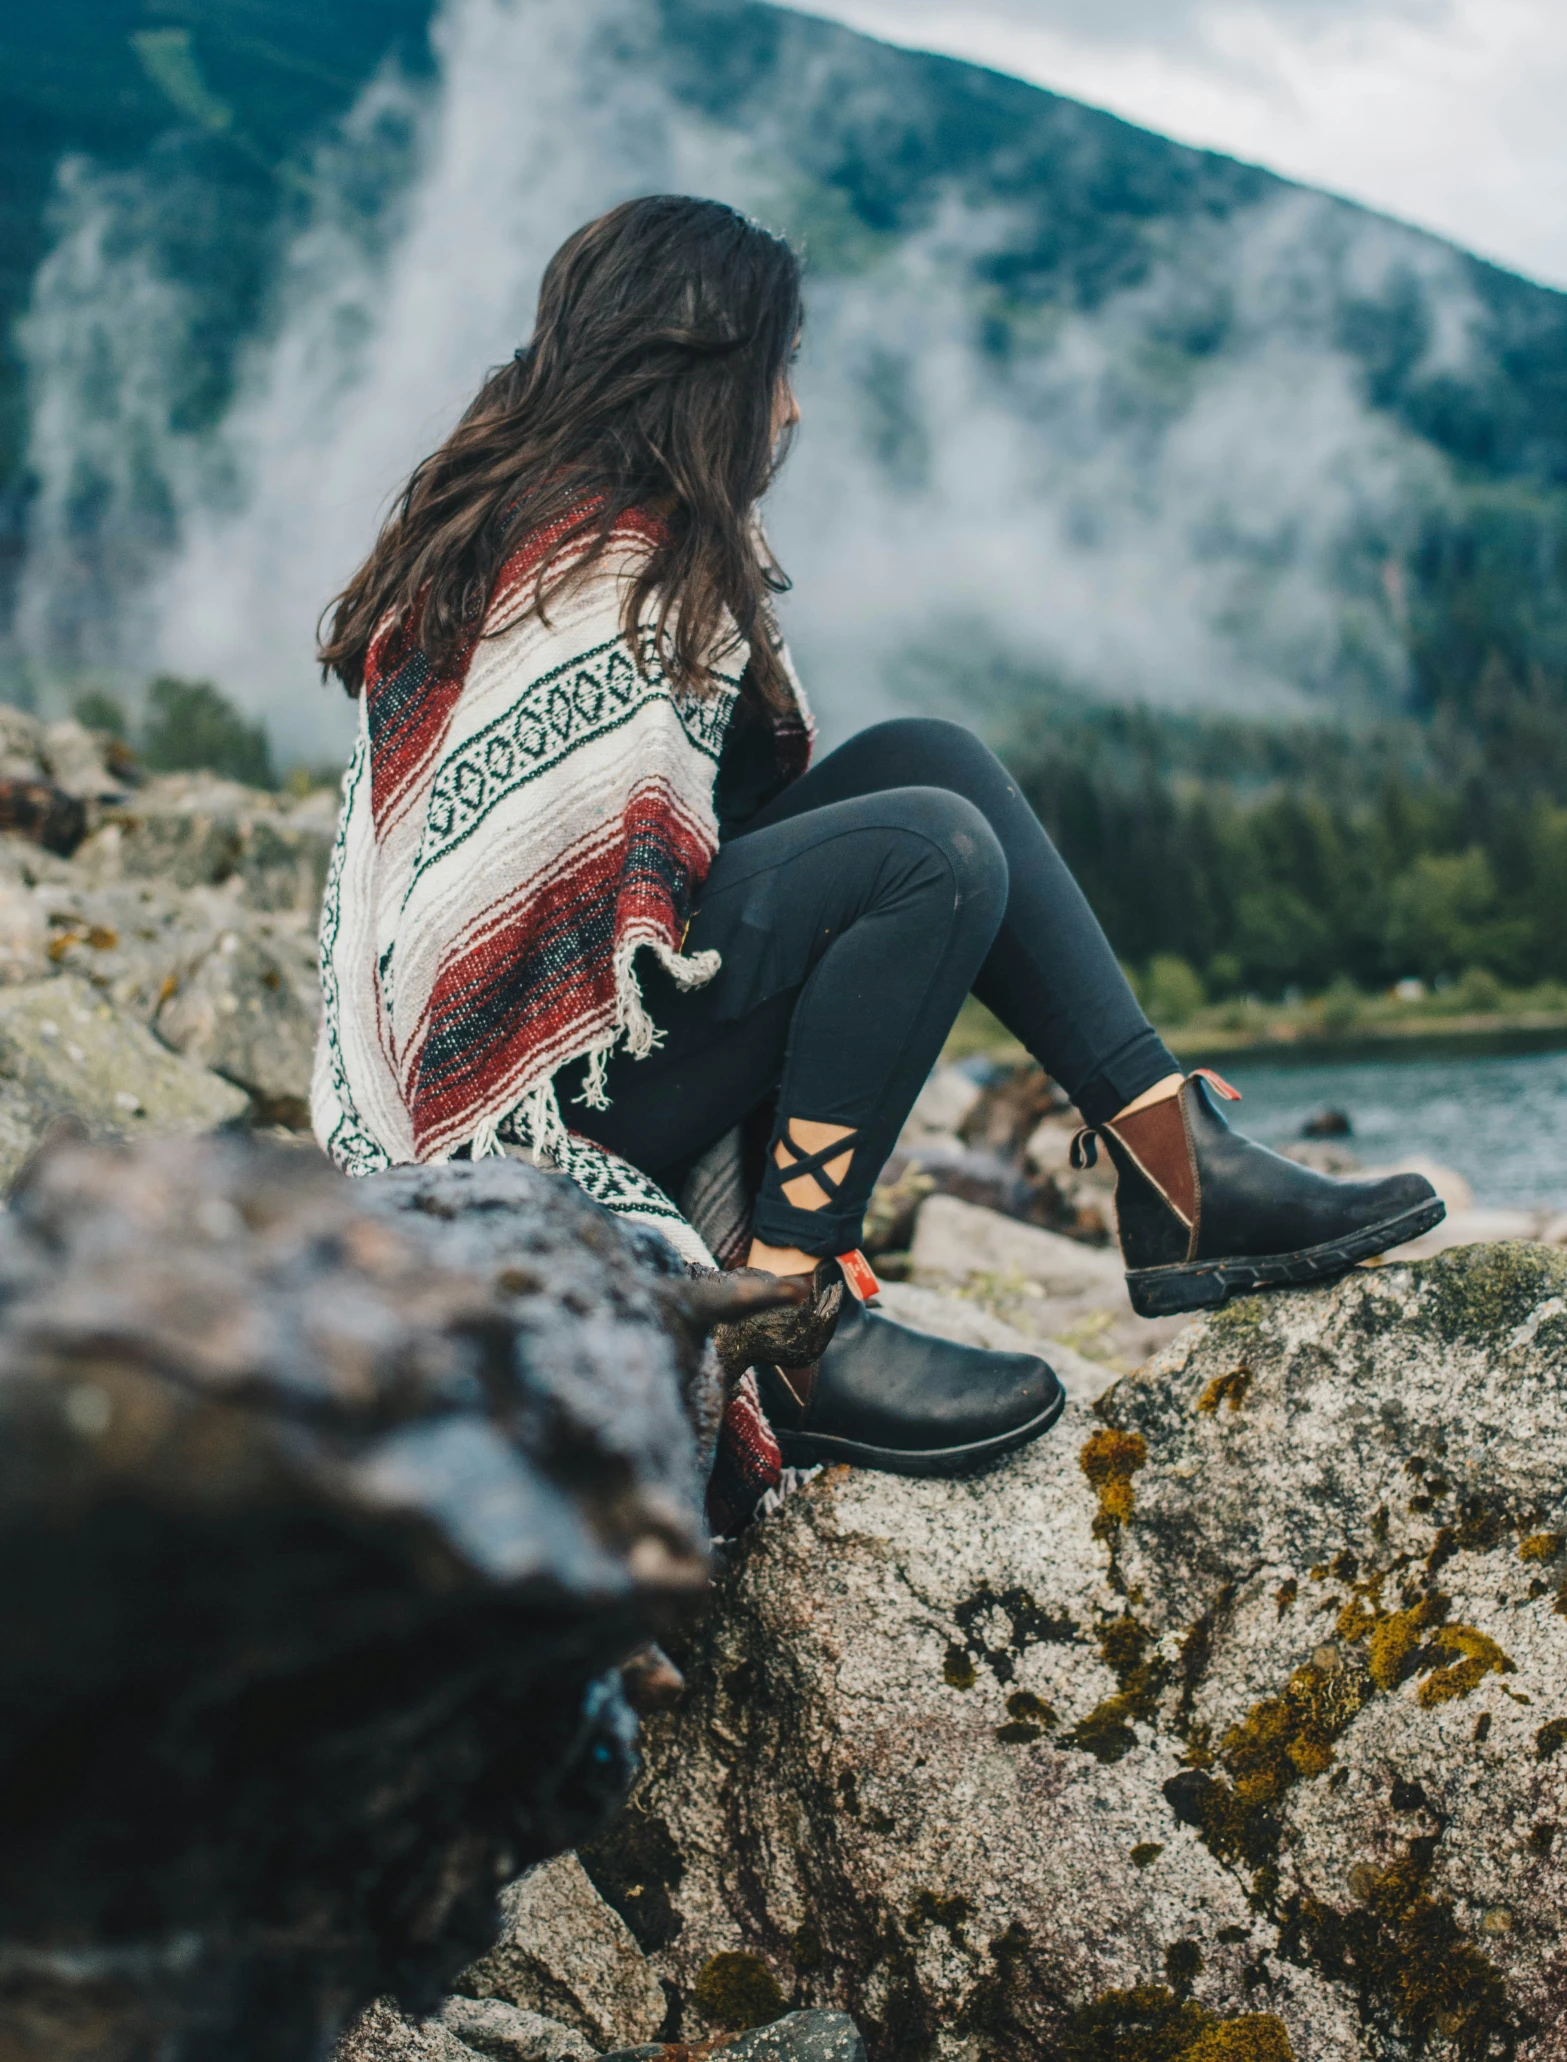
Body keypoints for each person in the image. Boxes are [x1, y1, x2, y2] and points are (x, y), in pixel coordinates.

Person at [313, 195, 1443, 1506]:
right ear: (702, 365)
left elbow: (667, 863)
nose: (788, 412)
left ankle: (1175, 1168)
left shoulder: (558, 518)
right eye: (775, 370)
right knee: (928, 852)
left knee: (932, 758)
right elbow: (538, 937)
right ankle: (790, 1322)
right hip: (506, 1109)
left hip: (578, 1055)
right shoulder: (585, 548)